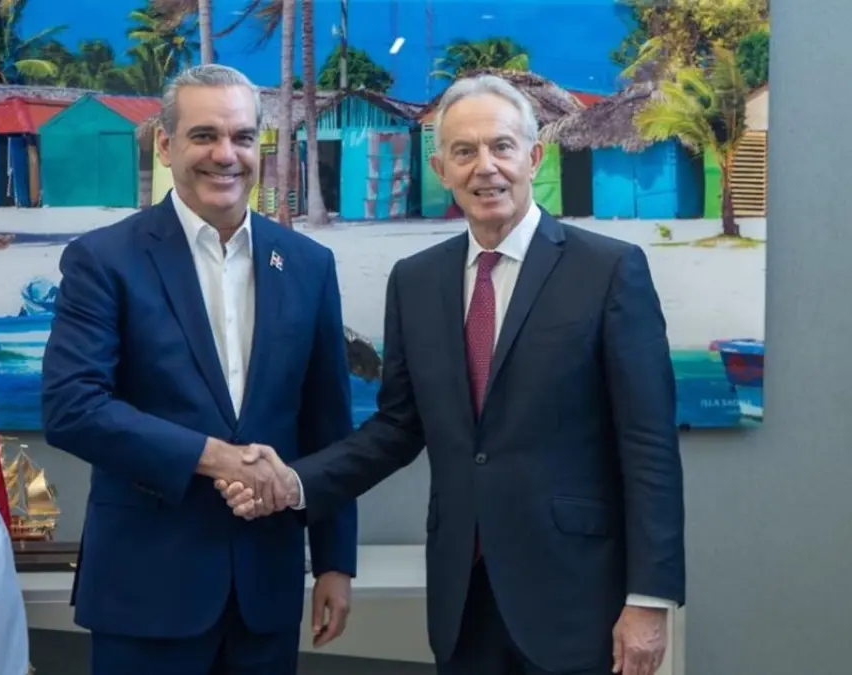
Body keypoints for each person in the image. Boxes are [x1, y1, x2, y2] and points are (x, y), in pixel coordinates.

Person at [217, 74, 686, 675]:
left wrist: (649, 598)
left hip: (578, 598)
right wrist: (294, 482)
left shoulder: (610, 270)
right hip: (463, 598)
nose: (485, 167)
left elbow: (649, 446)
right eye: (464, 152)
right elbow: (397, 428)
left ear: (534, 157)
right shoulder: (416, 281)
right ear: (441, 170)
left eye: (501, 146)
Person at [40, 63, 358, 675]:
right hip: (145, 590)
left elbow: (328, 426)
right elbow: (72, 408)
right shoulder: (103, 259)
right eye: (204, 135)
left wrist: (336, 562)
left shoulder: (309, 265)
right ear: (166, 145)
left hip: (266, 591)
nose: (225, 154)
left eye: (242, 137)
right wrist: (218, 458)